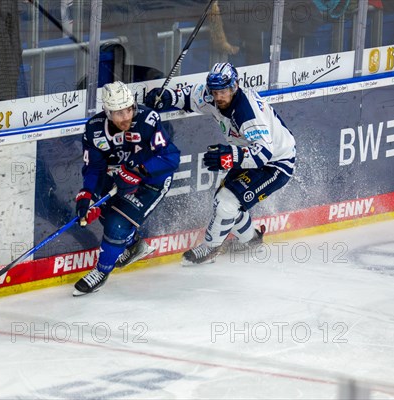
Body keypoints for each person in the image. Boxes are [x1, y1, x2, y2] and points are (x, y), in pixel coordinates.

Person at [145, 62, 296, 265]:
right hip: (249, 153)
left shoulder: (246, 112)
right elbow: (189, 97)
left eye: (223, 91)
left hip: (276, 164)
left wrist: (228, 157)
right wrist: (166, 98)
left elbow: (263, 154)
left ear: (235, 86)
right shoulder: (213, 95)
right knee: (224, 204)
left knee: (226, 202)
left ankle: (210, 248)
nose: (218, 97)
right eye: (215, 92)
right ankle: (251, 240)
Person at [73, 81, 180, 296]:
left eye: (128, 109)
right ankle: (133, 246)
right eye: (119, 113)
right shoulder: (94, 128)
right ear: (107, 112)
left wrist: (139, 171)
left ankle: (101, 272)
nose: (126, 117)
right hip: (120, 175)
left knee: (116, 225)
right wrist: (87, 195)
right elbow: (94, 167)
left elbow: (171, 158)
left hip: (153, 179)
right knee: (102, 212)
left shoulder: (147, 119)